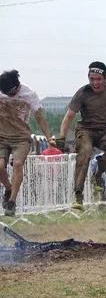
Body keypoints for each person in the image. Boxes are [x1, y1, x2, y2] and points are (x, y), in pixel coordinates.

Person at [57, 62, 106, 210]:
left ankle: (98, 173)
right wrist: (62, 137)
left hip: (104, 130)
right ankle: (78, 194)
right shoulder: (83, 93)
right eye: (92, 79)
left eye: (98, 79)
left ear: (104, 79)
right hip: (86, 130)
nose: (95, 83)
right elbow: (69, 116)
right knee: (85, 153)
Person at [0, 70, 54, 216]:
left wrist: (49, 138)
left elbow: (39, 117)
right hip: (2, 136)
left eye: (12, 93)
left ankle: (11, 201)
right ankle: (8, 188)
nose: (10, 96)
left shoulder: (29, 94)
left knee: (17, 164)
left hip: (21, 137)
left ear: (17, 86)